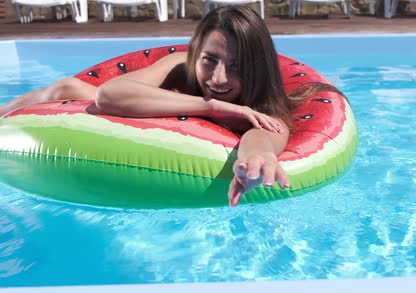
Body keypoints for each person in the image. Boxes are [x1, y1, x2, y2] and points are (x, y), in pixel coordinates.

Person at [0, 5, 340, 207]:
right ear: (196, 54)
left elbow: (265, 137)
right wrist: (211, 107)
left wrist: (256, 159)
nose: (218, 77)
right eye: (210, 60)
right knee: (67, 87)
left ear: (256, 67)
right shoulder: (180, 65)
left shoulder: (264, 104)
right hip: (151, 111)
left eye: (236, 66)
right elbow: (108, 95)